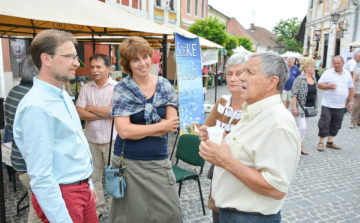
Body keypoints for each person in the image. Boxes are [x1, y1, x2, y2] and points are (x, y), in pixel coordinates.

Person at [199, 52, 301, 222]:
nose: (241, 78)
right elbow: (246, 151)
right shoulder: (254, 111)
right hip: (233, 214)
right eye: (242, 72)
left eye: (249, 72)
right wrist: (220, 141)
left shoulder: (277, 123)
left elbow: (276, 188)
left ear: (272, 82)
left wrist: (225, 160)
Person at [13, 29, 98, 223]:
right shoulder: (37, 106)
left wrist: (88, 183)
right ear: (46, 59)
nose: (77, 62)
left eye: (75, 57)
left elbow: (76, 143)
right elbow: (41, 175)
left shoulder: (62, 95)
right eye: (69, 56)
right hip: (63, 193)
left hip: (80, 188)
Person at [109, 36, 181, 223]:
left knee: (170, 213)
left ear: (151, 58)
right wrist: (160, 126)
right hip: (128, 162)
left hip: (158, 160)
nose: (142, 63)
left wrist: (139, 128)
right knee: (131, 217)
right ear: (128, 64)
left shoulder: (164, 85)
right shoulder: (122, 88)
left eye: (145, 57)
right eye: (135, 59)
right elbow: (123, 131)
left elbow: (171, 125)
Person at [199, 54, 246, 223]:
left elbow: (246, 144)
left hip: (241, 171)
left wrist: (222, 136)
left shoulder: (252, 107)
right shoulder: (222, 102)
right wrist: (204, 134)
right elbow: (206, 128)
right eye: (230, 73)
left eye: (239, 74)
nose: (233, 79)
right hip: (219, 167)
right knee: (218, 213)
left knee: (236, 213)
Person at [76, 54, 117, 218]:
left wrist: (91, 108)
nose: (94, 70)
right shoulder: (86, 88)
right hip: (91, 140)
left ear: (108, 68)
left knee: (114, 176)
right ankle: (98, 209)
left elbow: (114, 112)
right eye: (92, 67)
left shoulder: (117, 87)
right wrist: (104, 113)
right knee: (94, 177)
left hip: (112, 140)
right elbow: (79, 111)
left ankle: (115, 210)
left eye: (98, 67)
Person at [4, 56, 42, 223]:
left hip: (21, 162)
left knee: (36, 207)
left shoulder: (14, 91)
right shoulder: (31, 96)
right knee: (38, 211)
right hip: (30, 165)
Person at [317, 56, 354, 151]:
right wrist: (328, 86)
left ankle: (330, 142)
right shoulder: (328, 73)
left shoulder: (347, 74)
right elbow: (319, 84)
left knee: (336, 123)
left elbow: (350, 88)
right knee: (324, 123)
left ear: (343, 63)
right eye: (335, 63)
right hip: (327, 104)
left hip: (341, 105)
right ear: (332, 64)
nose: (337, 65)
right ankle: (321, 142)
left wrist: (351, 101)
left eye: (339, 63)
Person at [291, 57, 318, 155]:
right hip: (300, 107)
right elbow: (294, 94)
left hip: (310, 107)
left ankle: (300, 145)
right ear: (306, 68)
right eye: (311, 67)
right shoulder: (299, 79)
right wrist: (294, 107)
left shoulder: (314, 79)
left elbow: (315, 94)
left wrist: (315, 106)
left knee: (304, 127)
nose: (314, 68)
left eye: (314, 66)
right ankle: (296, 145)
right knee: (302, 127)